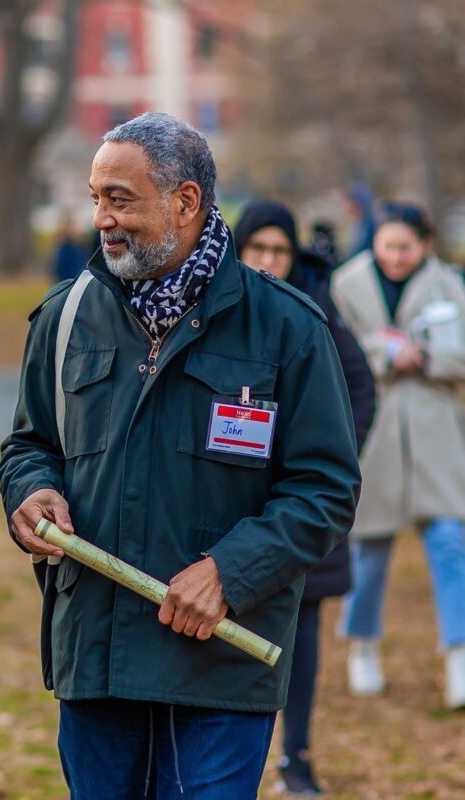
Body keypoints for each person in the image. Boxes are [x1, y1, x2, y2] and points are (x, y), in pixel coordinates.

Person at [0, 113, 361, 800]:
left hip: (222, 659)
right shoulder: (64, 317)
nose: (100, 218)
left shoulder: (287, 327)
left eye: (120, 198)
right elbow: (29, 444)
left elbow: (325, 489)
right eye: (96, 196)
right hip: (97, 656)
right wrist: (31, 491)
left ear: (186, 201)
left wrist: (230, 571)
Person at [236, 200, 376, 796]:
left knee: (304, 634)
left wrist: (324, 462)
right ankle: (246, 754)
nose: (269, 261)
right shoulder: (223, 310)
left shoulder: (315, 316)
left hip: (298, 510)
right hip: (235, 509)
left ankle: (297, 755)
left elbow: (360, 389)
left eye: (280, 251)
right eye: (258, 249)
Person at [331, 202, 465, 710]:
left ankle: (459, 655)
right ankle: (362, 645)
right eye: (387, 245)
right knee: (369, 551)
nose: (395, 256)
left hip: (436, 434)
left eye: (405, 247)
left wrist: (425, 357)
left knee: (451, 542)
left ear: (424, 245)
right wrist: (383, 353)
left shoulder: (449, 285)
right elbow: (333, 345)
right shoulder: (347, 283)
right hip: (374, 433)